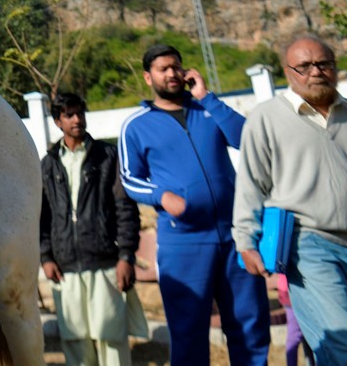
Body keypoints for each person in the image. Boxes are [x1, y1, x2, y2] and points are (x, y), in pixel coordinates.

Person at [233, 34, 347, 364]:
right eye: (304, 66)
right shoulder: (267, 118)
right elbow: (250, 185)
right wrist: (245, 242)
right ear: (289, 72)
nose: (315, 71)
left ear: (335, 68)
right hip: (308, 246)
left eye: (323, 63)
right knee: (346, 347)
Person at [118, 43, 270, 366]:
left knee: (250, 328)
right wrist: (161, 195)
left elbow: (247, 139)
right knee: (189, 336)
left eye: (176, 66)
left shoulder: (207, 110)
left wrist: (207, 97)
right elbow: (129, 179)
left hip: (236, 238)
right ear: (148, 77)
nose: (172, 73)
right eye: (163, 69)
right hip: (183, 243)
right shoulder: (136, 126)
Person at [41, 93, 142, 366]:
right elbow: (42, 215)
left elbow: (125, 208)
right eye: (69, 114)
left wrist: (126, 257)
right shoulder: (48, 164)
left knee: (112, 335)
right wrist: (46, 256)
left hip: (105, 260)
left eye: (80, 113)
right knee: (74, 339)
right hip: (66, 267)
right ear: (58, 121)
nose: (77, 119)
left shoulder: (107, 156)